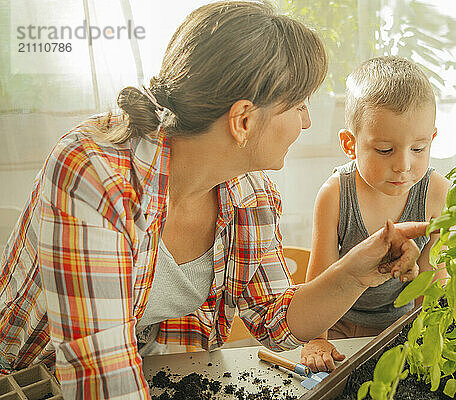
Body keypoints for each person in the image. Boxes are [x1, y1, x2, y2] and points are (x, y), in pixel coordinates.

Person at [0, 3, 430, 398]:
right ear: (243, 120)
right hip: (33, 379)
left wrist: (355, 272)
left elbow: (277, 318)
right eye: (298, 104)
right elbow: (99, 369)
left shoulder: (250, 191)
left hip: (150, 371)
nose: (306, 120)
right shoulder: (94, 173)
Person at [301, 56, 450, 372]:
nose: (404, 165)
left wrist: (430, 334)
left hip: (400, 325)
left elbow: (431, 276)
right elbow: (321, 274)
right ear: (349, 144)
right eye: (385, 150)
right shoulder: (335, 194)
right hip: (339, 325)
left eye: (419, 148)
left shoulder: (436, 192)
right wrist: (316, 339)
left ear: (432, 139)